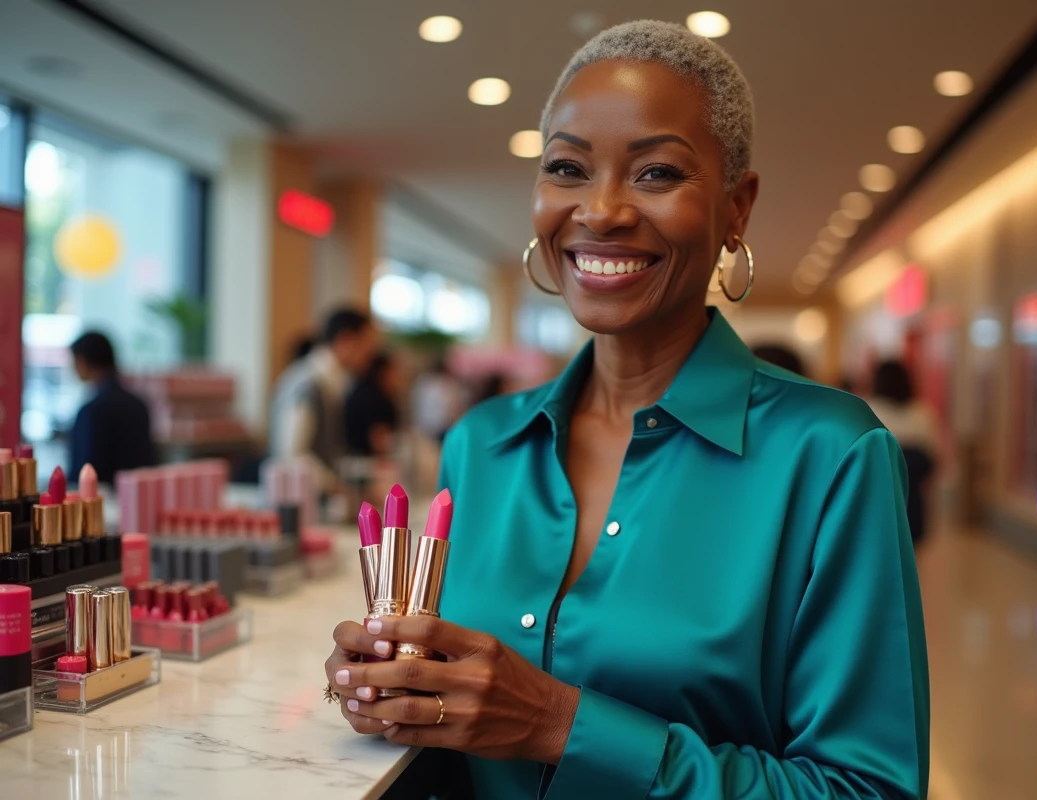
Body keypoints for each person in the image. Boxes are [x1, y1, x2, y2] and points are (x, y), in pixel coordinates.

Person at [325, 21, 928, 800]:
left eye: (657, 173)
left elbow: (868, 789)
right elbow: (454, 745)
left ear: (736, 208)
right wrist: (393, 693)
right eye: (568, 168)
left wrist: (559, 724)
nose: (601, 211)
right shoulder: (482, 446)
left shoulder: (830, 455)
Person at [268, 308, 378, 490]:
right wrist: (335, 485)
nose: (370, 353)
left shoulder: (330, 383)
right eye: (367, 343)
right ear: (346, 340)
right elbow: (292, 455)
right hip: (296, 500)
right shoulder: (307, 384)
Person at [67, 331, 157, 483]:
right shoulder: (139, 403)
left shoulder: (92, 410)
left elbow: (82, 469)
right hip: (136, 495)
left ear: (82, 361)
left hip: (98, 499)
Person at [867, 359, 940, 545]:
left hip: (875, 500)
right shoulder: (922, 413)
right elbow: (932, 459)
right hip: (912, 500)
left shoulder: (868, 410)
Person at [344, 351, 401, 457]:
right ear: (383, 374)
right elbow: (379, 441)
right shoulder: (374, 399)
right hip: (364, 459)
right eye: (395, 373)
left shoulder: (362, 391)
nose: (399, 378)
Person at [410, 354, 467, 444]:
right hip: (437, 430)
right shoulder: (443, 385)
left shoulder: (423, 382)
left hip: (424, 429)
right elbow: (451, 411)